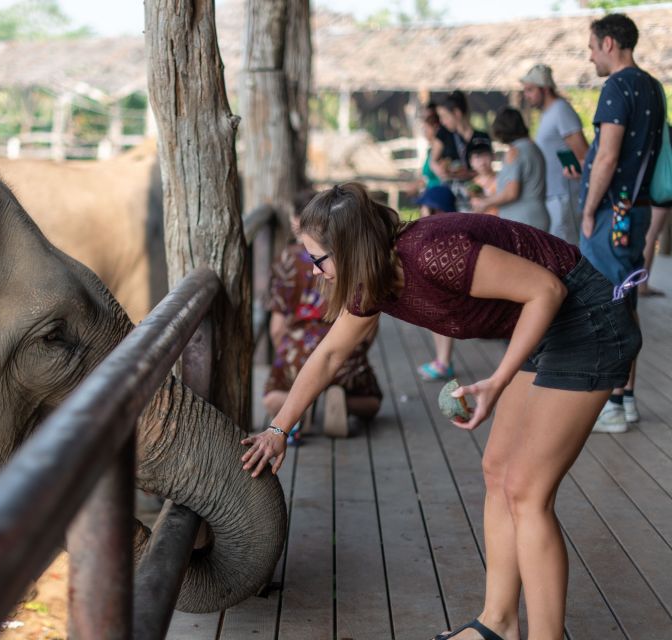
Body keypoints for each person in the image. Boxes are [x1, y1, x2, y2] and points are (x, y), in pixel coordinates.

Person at [241, 182, 641, 640]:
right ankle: (499, 623)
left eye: (319, 259)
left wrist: (498, 380)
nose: (314, 272)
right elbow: (329, 355)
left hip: (587, 320)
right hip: (551, 325)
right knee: (496, 471)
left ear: (350, 249)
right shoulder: (372, 281)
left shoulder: (431, 254)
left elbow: (546, 290)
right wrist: (277, 428)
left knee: (527, 492)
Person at [578, 13, 664, 433]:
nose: (591, 55)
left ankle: (610, 403)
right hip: (640, 207)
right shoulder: (653, 86)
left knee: (605, 301)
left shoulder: (616, 86)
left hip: (613, 213)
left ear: (609, 43)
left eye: (592, 46)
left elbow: (609, 154)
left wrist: (590, 207)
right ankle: (626, 397)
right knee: (625, 299)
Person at [263, 196, 383, 440]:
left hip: (298, 350)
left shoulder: (287, 258)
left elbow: (276, 328)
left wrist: (286, 355)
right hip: (344, 345)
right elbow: (369, 327)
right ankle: (342, 402)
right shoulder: (348, 259)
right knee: (373, 402)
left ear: (298, 221)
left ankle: (302, 403)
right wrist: (358, 350)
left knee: (270, 397)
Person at [521, 63, 590, 244]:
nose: (526, 95)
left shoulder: (561, 110)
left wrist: (579, 172)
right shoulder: (547, 114)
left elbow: (584, 153)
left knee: (569, 251)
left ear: (544, 89)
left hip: (564, 196)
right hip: (553, 196)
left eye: (530, 90)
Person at [471, 107, 550, 231]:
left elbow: (511, 193)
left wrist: (484, 203)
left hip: (523, 220)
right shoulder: (534, 148)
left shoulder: (514, 152)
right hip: (539, 215)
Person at [414, 185, 458, 381]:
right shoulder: (431, 227)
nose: (421, 211)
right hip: (433, 284)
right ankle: (441, 360)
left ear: (436, 209)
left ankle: (445, 362)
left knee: (444, 321)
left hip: (446, 286)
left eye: (424, 206)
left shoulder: (448, 229)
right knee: (434, 321)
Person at [434, 91, 492, 210]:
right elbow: (433, 161)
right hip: (449, 192)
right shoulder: (444, 134)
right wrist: (443, 171)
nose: (442, 121)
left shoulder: (481, 137)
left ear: (457, 113)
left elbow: (488, 169)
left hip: (474, 192)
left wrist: (468, 174)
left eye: (445, 116)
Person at [466, 139, 498, 216]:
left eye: (485, 155)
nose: (482, 161)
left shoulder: (502, 179)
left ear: (493, 157)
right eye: (477, 157)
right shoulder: (472, 185)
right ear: (471, 162)